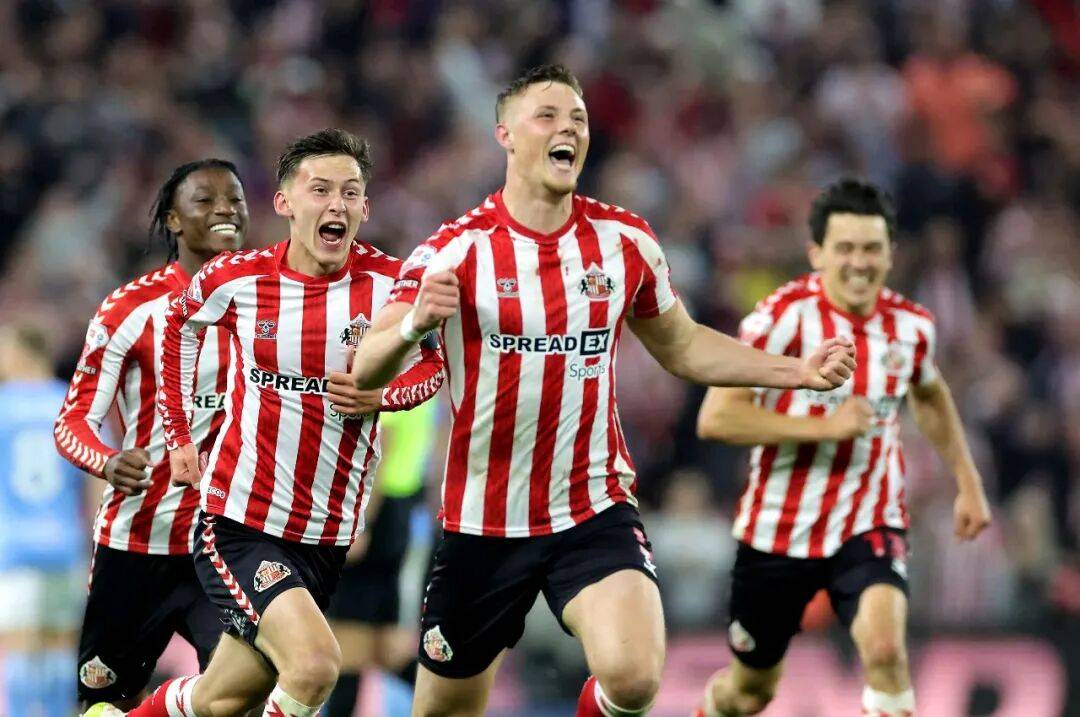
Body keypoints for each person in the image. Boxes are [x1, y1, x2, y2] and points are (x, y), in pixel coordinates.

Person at [349, 64, 856, 717]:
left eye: (579, 119)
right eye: (548, 116)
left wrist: (796, 371)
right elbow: (365, 367)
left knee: (635, 677)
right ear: (505, 134)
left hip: (591, 507)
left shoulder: (623, 242)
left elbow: (682, 344)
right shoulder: (455, 251)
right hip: (484, 521)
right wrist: (415, 321)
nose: (568, 129)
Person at [87, 128, 444, 717]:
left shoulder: (390, 287)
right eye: (320, 190)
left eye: (350, 192)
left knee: (224, 697)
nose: (337, 204)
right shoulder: (239, 279)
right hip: (242, 521)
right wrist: (180, 436)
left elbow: (432, 368)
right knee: (314, 667)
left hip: (327, 535)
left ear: (366, 207)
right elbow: (177, 330)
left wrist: (384, 396)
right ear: (284, 203)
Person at [691, 178, 993, 717]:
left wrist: (968, 483)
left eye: (872, 248)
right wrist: (825, 429)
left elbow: (929, 393)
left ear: (891, 253)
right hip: (778, 528)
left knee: (886, 653)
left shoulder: (911, 327)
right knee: (749, 692)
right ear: (817, 253)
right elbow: (717, 418)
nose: (859, 262)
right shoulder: (780, 318)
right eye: (845, 248)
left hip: (868, 519)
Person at [55, 159, 249, 710]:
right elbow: (72, 422)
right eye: (205, 200)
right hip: (137, 543)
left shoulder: (269, 303)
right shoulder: (130, 309)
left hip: (225, 545)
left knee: (244, 691)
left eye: (235, 199)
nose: (225, 210)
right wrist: (107, 461)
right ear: (173, 220)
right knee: (104, 704)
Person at [324, 399, 440, 717]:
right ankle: (449, 699)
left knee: (370, 639)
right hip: (398, 509)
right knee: (361, 638)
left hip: (383, 514)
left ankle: (450, 700)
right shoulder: (424, 383)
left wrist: (361, 521)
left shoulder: (394, 381)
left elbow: (378, 450)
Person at [0, 322, 87, 717]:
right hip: (64, 542)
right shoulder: (71, 404)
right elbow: (95, 478)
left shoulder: (3, 407)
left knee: (18, 646)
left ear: (22, 352)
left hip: (13, 545)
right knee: (59, 647)